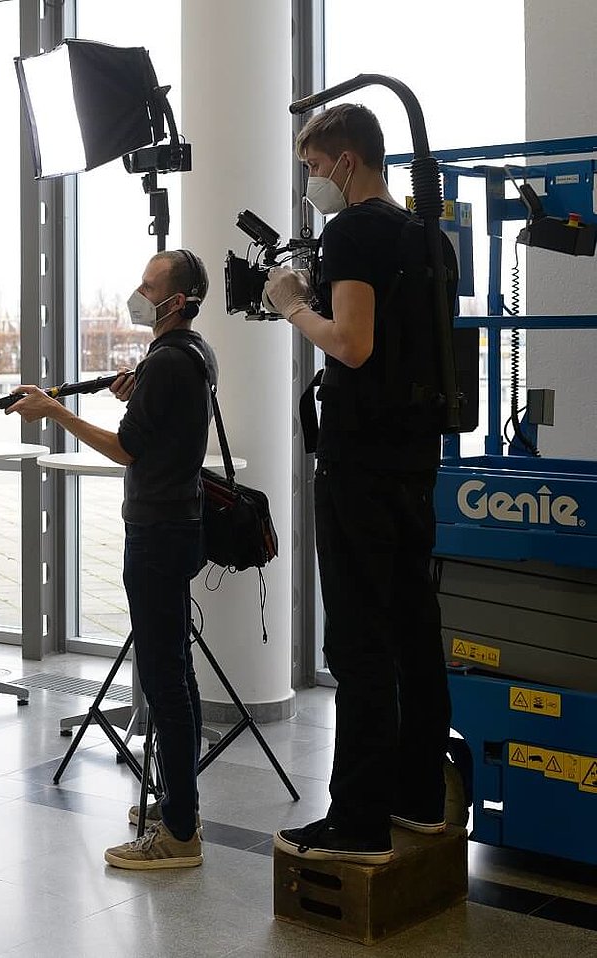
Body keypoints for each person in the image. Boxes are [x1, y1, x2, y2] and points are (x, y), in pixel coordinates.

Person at [265, 103, 451, 865]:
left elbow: (352, 343)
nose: (311, 182)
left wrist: (293, 305)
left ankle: (359, 823)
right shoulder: (429, 237)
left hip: (360, 466)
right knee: (414, 628)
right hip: (414, 461)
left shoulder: (354, 232)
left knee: (360, 643)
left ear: (345, 161)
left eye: (312, 168)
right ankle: (418, 800)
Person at [8, 249, 217, 870]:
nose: (138, 293)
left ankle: (179, 834)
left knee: (164, 678)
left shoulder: (169, 363)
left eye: (148, 286)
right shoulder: (194, 352)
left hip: (156, 533)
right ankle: (184, 804)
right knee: (175, 668)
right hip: (180, 524)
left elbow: (126, 450)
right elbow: (161, 430)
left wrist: (54, 411)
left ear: (175, 300)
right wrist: (136, 393)